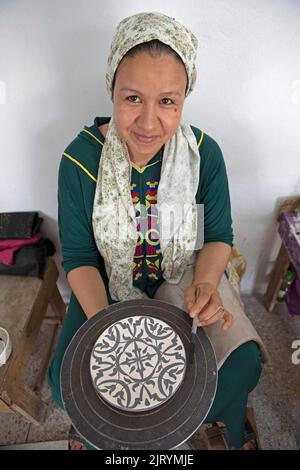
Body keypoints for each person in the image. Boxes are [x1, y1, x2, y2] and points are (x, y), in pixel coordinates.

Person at [48, 12, 267, 450]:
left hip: (183, 275)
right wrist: (111, 327)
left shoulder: (205, 154)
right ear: (111, 88)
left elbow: (218, 236)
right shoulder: (79, 161)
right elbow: (79, 258)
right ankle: (116, 440)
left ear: (185, 98)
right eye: (132, 98)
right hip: (107, 284)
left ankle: (208, 427)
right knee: (66, 385)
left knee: (242, 364)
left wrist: (206, 283)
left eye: (168, 101)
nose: (149, 123)